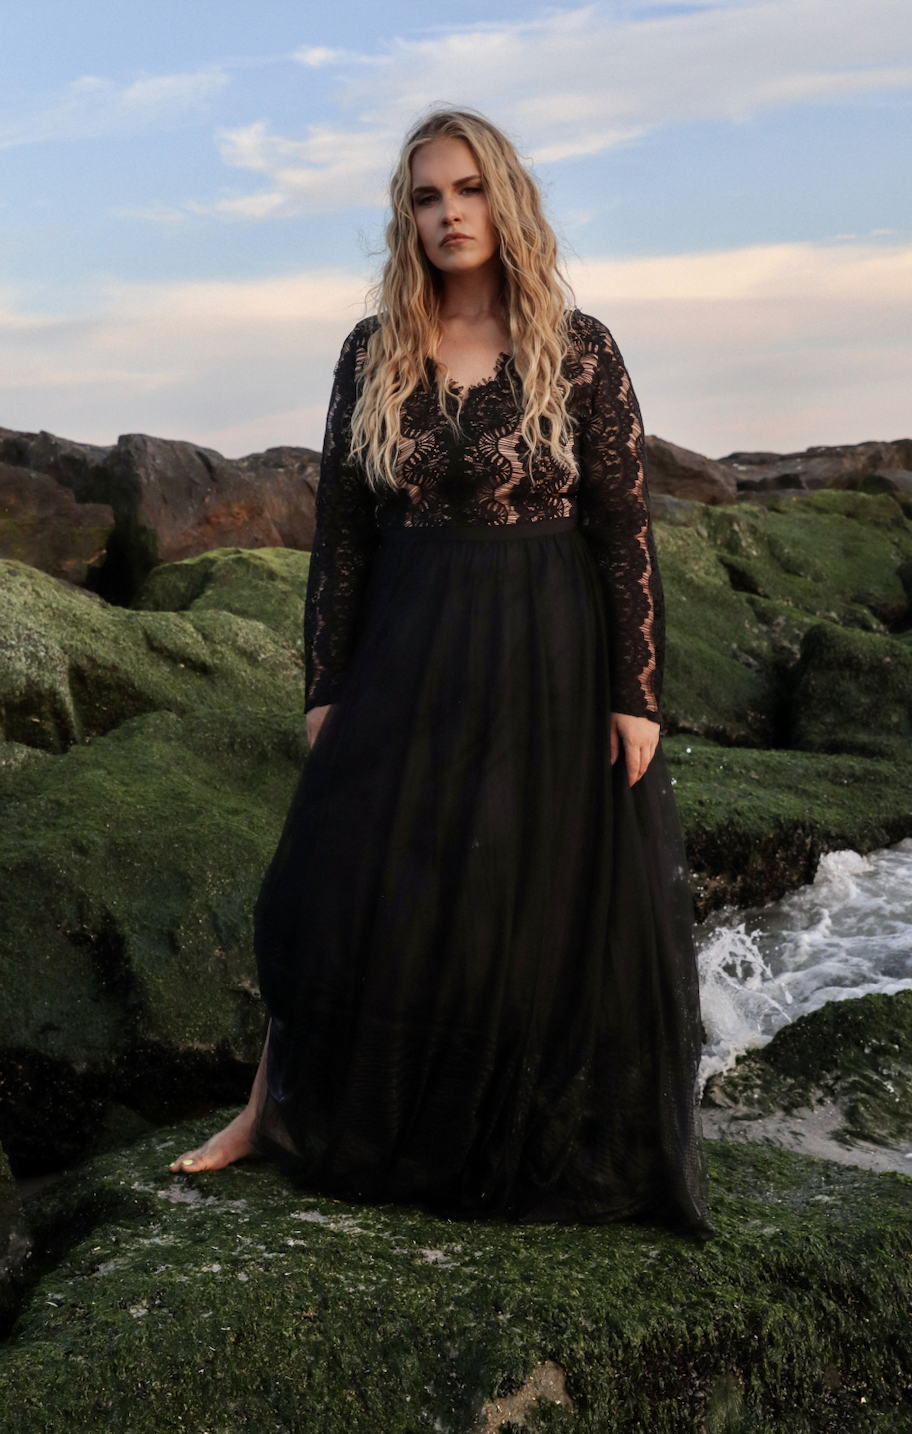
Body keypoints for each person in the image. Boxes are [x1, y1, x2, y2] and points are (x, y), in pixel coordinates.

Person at [171, 109, 712, 1237]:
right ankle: (270, 1113)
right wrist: (325, 684)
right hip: (410, 639)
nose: (448, 213)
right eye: (426, 196)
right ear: (405, 217)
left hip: (546, 643)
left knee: (524, 896)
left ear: (503, 200)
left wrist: (636, 692)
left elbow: (623, 529)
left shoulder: (581, 346)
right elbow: (345, 540)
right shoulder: (373, 352)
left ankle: (496, 1129)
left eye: (466, 189)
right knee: (345, 875)